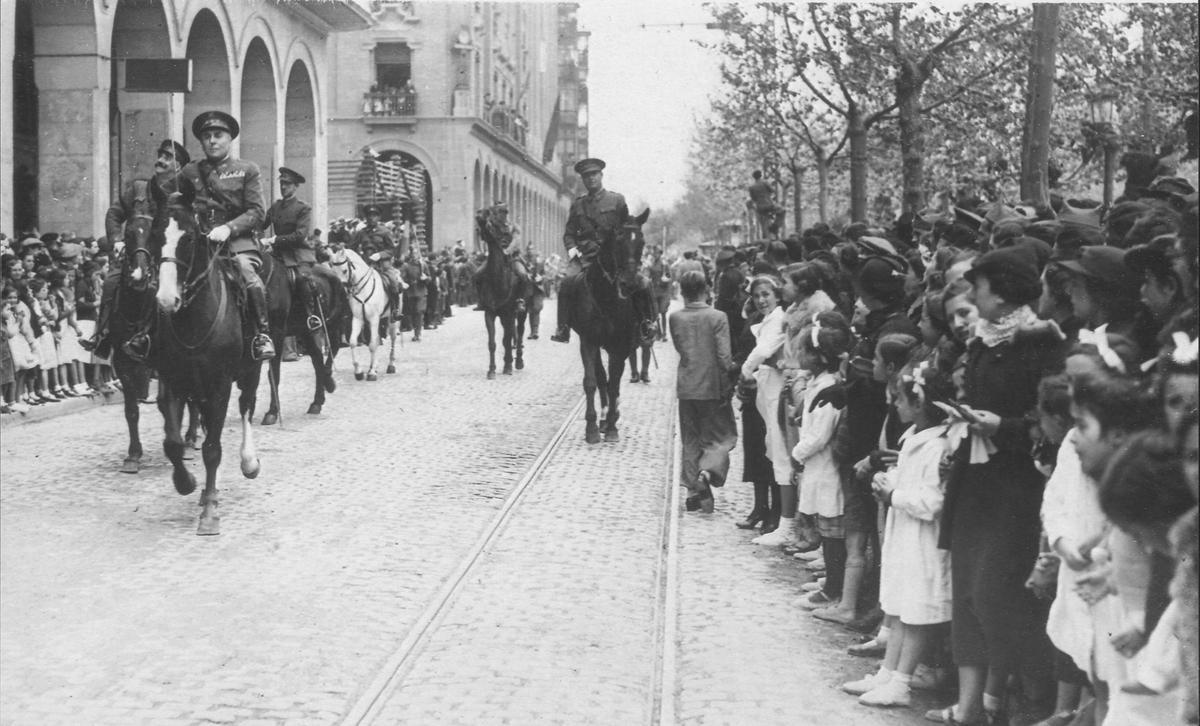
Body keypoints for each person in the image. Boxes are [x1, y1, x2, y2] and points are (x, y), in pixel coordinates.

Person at [81, 139, 189, 357]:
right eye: (161, 155)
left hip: (165, 258)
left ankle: (178, 343)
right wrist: (117, 240)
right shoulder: (138, 188)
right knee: (111, 283)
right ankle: (103, 336)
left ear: (178, 167)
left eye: (168, 158)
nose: (160, 160)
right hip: (134, 255)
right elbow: (114, 213)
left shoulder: (180, 196)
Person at [180, 110, 274, 360]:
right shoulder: (189, 172)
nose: (212, 141)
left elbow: (257, 211)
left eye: (218, 135)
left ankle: (261, 335)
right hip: (200, 243)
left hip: (237, 243)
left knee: (248, 274)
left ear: (229, 139)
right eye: (207, 136)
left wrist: (228, 228)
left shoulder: (246, 170)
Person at [550, 158, 653, 343]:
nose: (591, 179)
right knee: (566, 282)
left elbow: (627, 226)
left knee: (641, 283)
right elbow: (569, 233)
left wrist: (628, 251)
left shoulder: (617, 200)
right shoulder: (578, 204)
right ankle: (563, 328)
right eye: (586, 176)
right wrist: (573, 249)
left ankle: (646, 324)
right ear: (582, 179)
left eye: (594, 174)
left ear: (601, 175)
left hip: (613, 258)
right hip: (586, 257)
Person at [670, 269, 738, 513]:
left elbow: (681, 348)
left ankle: (691, 493)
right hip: (712, 386)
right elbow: (723, 355)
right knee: (719, 437)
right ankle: (707, 475)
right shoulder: (718, 317)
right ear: (706, 289)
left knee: (690, 438)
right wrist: (730, 379)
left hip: (687, 386)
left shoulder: (675, 318)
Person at [263, 166, 317, 361]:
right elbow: (262, 224)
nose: (283, 187)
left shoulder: (303, 208)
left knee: (302, 280)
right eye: (281, 183)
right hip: (277, 256)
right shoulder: (275, 207)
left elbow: (299, 235)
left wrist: (273, 240)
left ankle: (312, 317)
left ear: (295, 186)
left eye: (287, 184)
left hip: (297, 255)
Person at [748, 170, 783, 238]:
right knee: (782, 210)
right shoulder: (764, 182)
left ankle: (767, 238)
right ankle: (775, 227)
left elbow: (753, 198)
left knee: (764, 224)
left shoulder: (751, 187)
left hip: (760, 207)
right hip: (769, 205)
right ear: (761, 175)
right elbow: (772, 190)